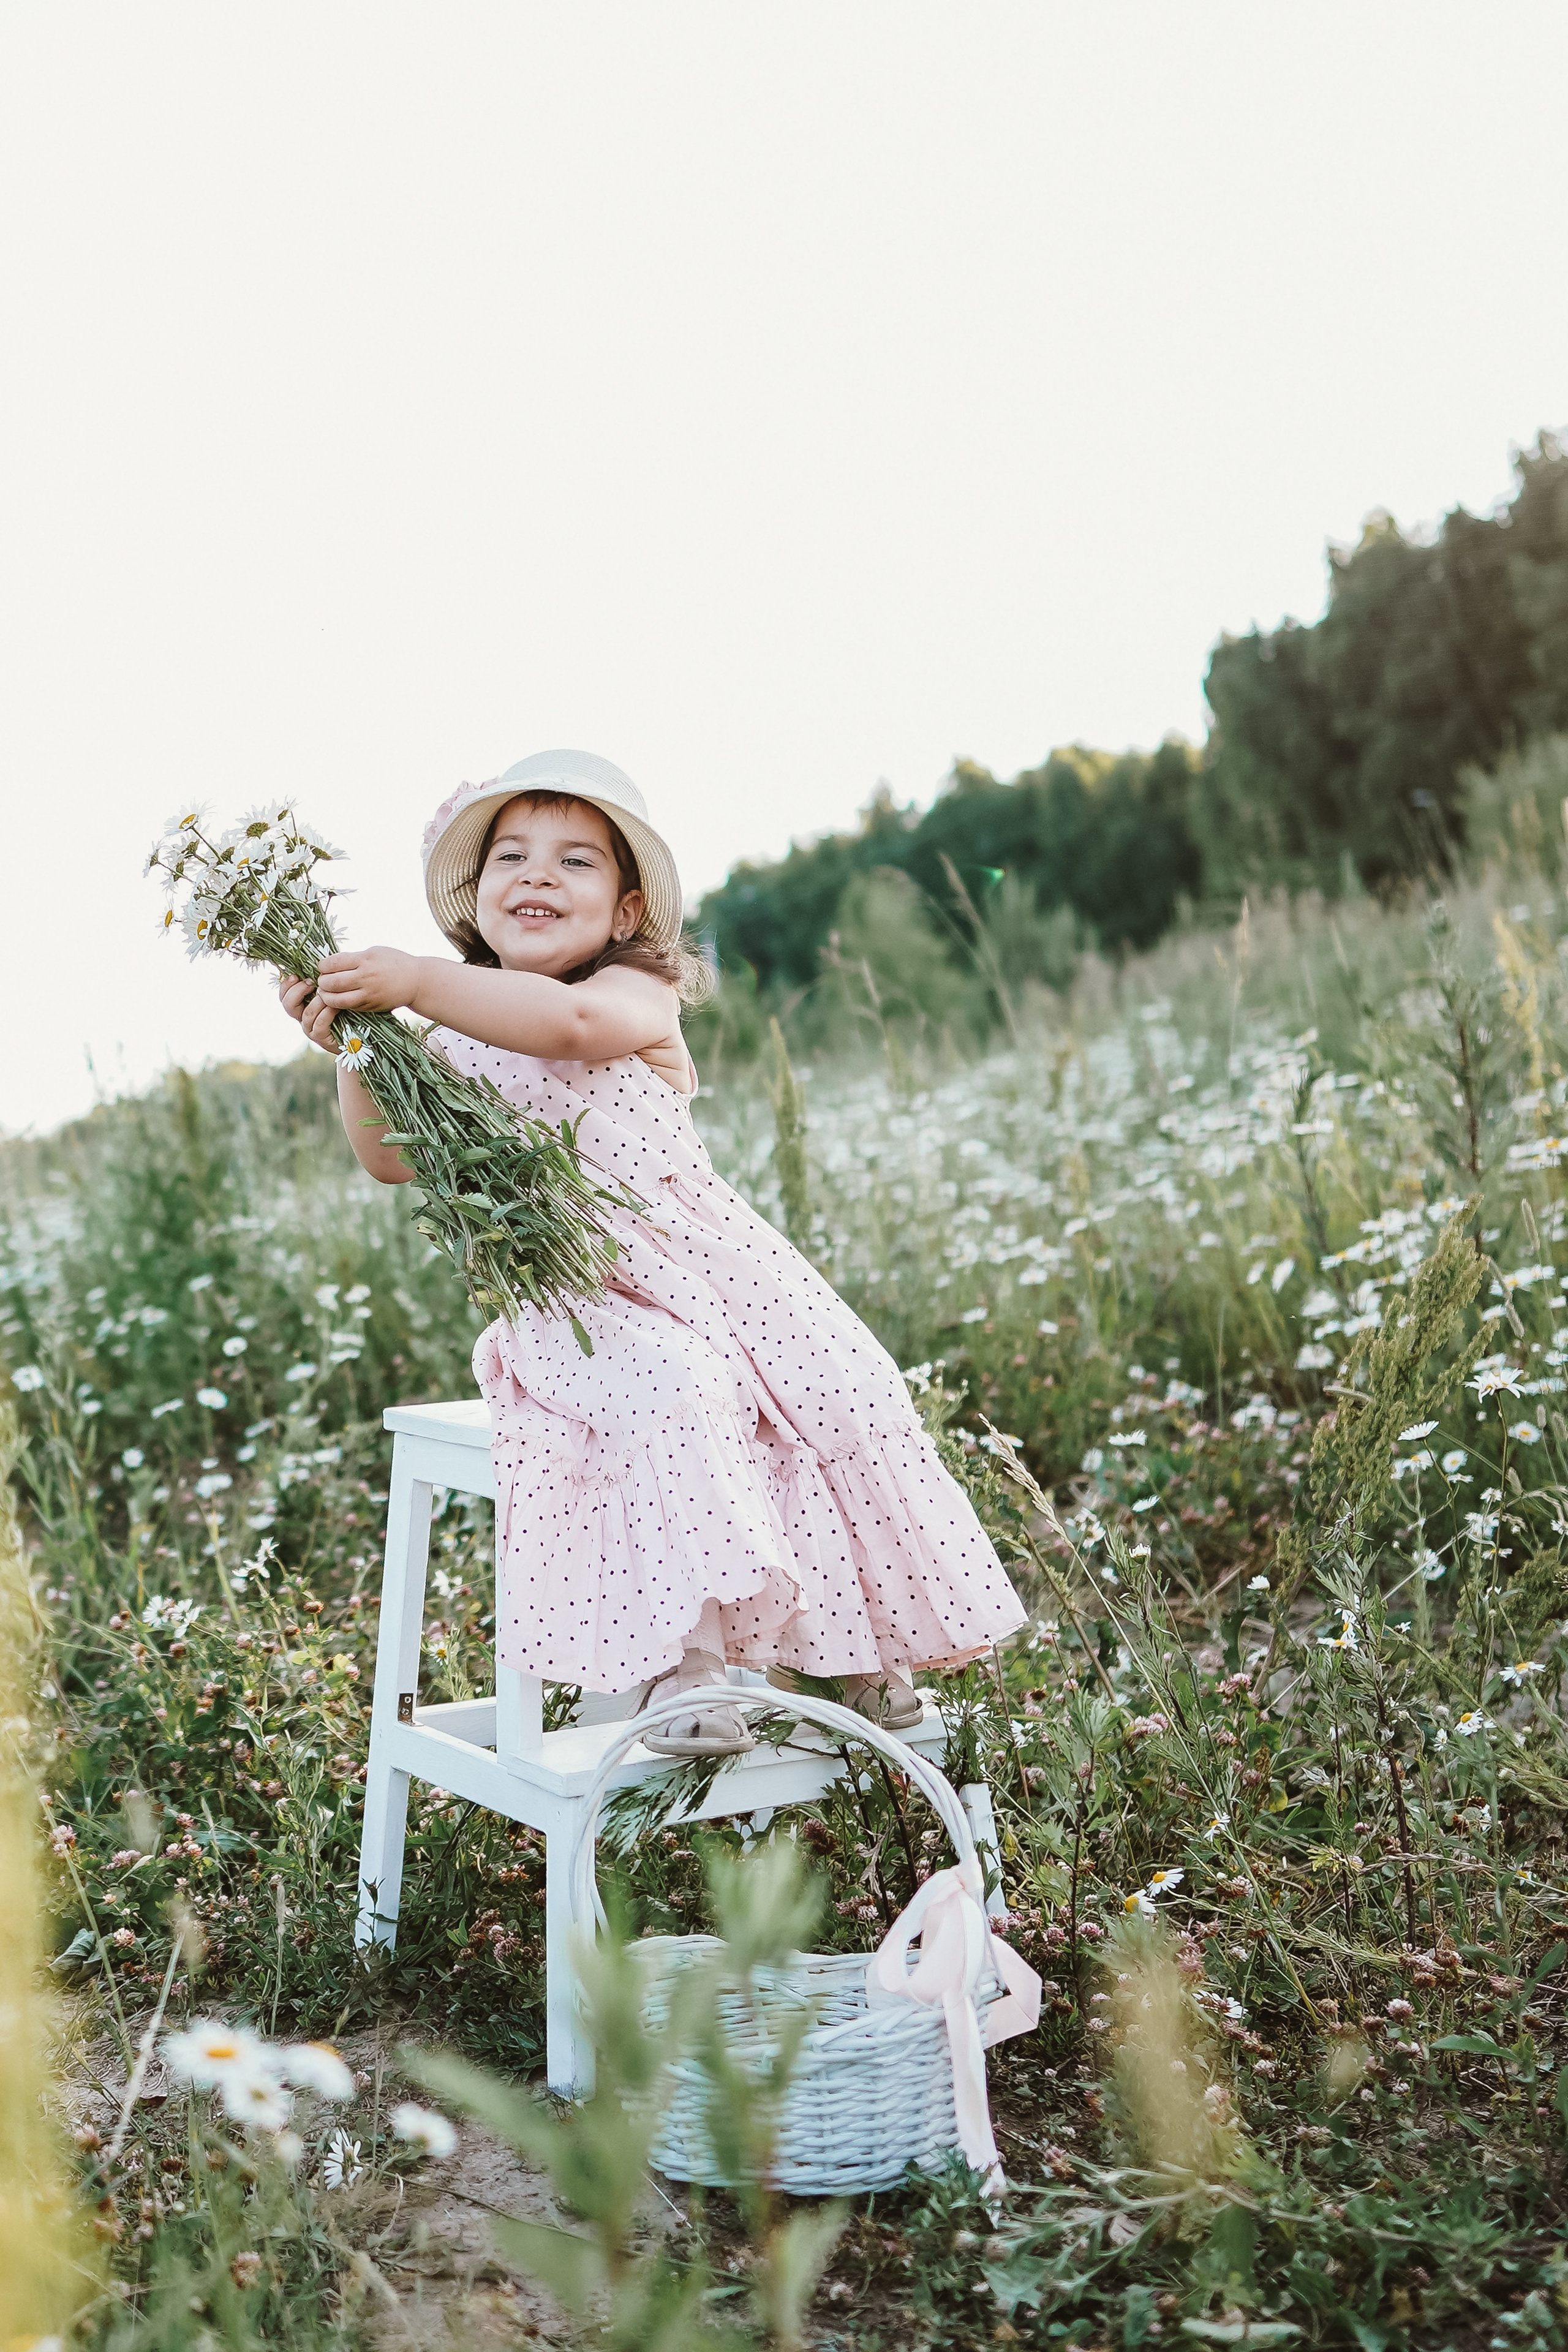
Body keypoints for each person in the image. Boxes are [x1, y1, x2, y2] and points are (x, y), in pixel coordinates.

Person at [279, 749, 1026, 1757]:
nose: (538, 876)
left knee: (841, 1385)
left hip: (718, 1270)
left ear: (628, 912)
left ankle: (856, 1645)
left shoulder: (632, 992)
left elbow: (575, 1027)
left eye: (576, 862)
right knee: (675, 1391)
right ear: (475, 892)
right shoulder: (445, 1037)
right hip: (581, 1296)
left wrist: (415, 980)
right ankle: (689, 1666)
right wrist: (357, 1047)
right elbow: (386, 1160)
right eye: (512, 856)